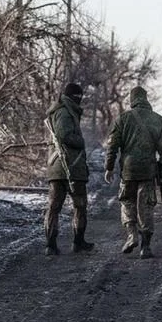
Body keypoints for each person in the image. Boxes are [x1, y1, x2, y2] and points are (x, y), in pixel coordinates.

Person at [104, 86, 162, 259]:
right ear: (146, 99)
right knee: (146, 206)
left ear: (132, 100)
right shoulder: (159, 120)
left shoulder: (122, 119)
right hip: (148, 170)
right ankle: (145, 247)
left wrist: (109, 167)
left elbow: (112, 146)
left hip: (128, 170)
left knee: (127, 201)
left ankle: (131, 234)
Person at [44, 82, 94, 255]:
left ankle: (54, 244)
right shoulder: (65, 112)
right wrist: (81, 142)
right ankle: (72, 243)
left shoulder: (62, 110)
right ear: (75, 97)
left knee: (55, 207)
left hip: (59, 168)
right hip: (68, 167)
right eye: (79, 97)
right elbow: (64, 135)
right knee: (78, 205)